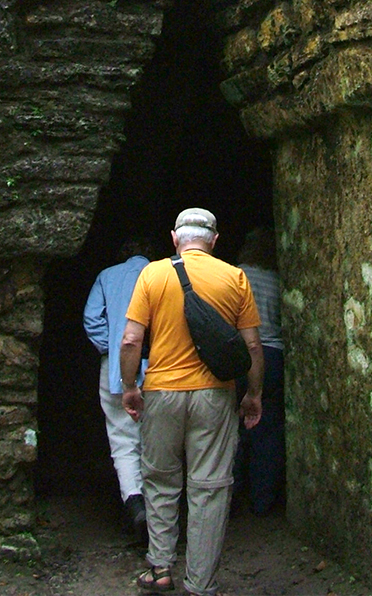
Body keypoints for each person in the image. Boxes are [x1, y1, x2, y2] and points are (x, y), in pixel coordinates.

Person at [120, 208, 264, 596]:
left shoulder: (153, 274)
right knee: (210, 488)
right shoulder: (235, 277)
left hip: (162, 392)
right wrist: (253, 394)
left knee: (160, 480)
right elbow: (251, 344)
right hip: (216, 395)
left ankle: (160, 568)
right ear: (214, 241)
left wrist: (130, 386)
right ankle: (200, 584)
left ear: (174, 238)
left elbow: (132, 339)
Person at [83, 237, 156, 543]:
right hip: (160, 367)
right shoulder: (162, 274)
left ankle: (135, 504)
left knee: (123, 441)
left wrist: (112, 348)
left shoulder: (107, 276)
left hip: (114, 370)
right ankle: (161, 512)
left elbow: (91, 319)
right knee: (157, 439)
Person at [233, 227, 285, 516]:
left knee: (232, 428)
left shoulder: (235, 275)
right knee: (268, 429)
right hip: (274, 356)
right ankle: (262, 501)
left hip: (241, 356)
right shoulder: (278, 281)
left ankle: (230, 496)